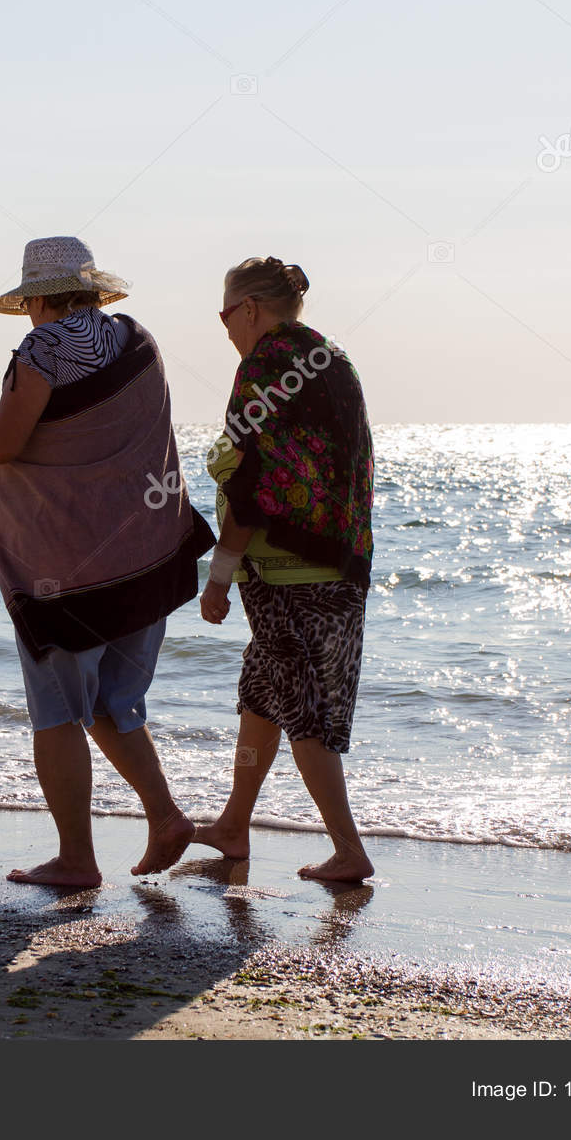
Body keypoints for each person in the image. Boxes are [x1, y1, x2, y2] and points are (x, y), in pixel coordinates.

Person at [0, 236, 215, 888]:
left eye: (30, 303)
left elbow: (6, 440)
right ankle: (166, 815)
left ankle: (78, 859)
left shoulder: (43, 350)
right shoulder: (138, 339)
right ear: (91, 291)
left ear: (37, 300)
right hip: (147, 559)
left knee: (57, 712)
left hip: (70, 578)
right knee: (113, 702)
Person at [191, 256, 376, 882]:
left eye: (223, 313)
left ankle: (349, 850)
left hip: (288, 572)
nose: (223, 327)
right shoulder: (332, 358)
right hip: (341, 562)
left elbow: (250, 484)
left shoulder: (264, 365)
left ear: (249, 309)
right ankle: (233, 824)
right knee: (264, 693)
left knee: (302, 705)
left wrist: (219, 574)